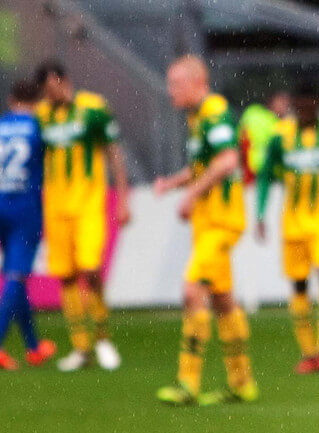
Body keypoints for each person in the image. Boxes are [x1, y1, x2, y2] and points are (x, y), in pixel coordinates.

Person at [153, 55, 258, 405]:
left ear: (197, 83)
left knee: (192, 288)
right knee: (222, 300)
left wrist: (190, 195)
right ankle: (241, 382)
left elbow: (228, 160)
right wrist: (173, 182)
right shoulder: (199, 117)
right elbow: (205, 164)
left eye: (175, 84)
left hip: (221, 221)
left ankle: (188, 382)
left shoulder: (213, 111)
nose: (170, 92)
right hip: (209, 222)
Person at [34, 59, 130, 372]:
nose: (51, 95)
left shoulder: (92, 108)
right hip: (56, 208)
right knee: (65, 276)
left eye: (53, 88)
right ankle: (81, 347)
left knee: (91, 270)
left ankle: (102, 339)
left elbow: (114, 152)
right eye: (45, 92)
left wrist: (124, 198)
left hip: (89, 203)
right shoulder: (42, 116)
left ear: (63, 80)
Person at [255, 82, 319, 374]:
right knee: (298, 285)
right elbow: (264, 176)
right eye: (298, 105)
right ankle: (308, 352)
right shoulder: (280, 137)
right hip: (293, 223)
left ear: (318, 103)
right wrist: (260, 213)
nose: (303, 110)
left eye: (308, 104)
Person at [0, 78, 56, 370]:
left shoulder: (1, 125)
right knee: (16, 277)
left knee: (14, 277)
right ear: (36, 103)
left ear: (11, 100)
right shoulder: (38, 127)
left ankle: (33, 346)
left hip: (0, 202)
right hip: (25, 207)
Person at [239, 90, 290, 182]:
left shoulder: (252, 112)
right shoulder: (278, 124)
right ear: (272, 101)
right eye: (282, 103)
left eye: (286, 104)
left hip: (260, 172)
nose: (284, 107)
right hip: (258, 173)